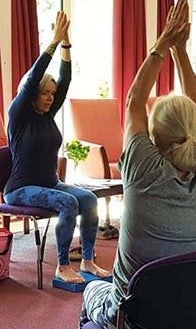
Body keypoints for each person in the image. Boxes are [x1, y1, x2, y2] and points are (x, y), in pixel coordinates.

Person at [64, 0, 196, 329]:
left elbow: (134, 100)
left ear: (155, 136)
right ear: (195, 132)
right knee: (147, 288)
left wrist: (162, 45)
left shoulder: (141, 169)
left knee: (91, 293)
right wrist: (182, 52)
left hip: (139, 319)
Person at [4, 11, 109, 284]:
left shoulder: (48, 115)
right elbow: (30, 80)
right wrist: (51, 43)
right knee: (68, 201)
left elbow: (66, 80)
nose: (51, 98)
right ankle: (62, 266)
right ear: (31, 96)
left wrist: (66, 45)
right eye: (45, 93)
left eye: (52, 94)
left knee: (89, 199)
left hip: (49, 183)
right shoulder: (19, 115)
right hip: (20, 190)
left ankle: (87, 260)